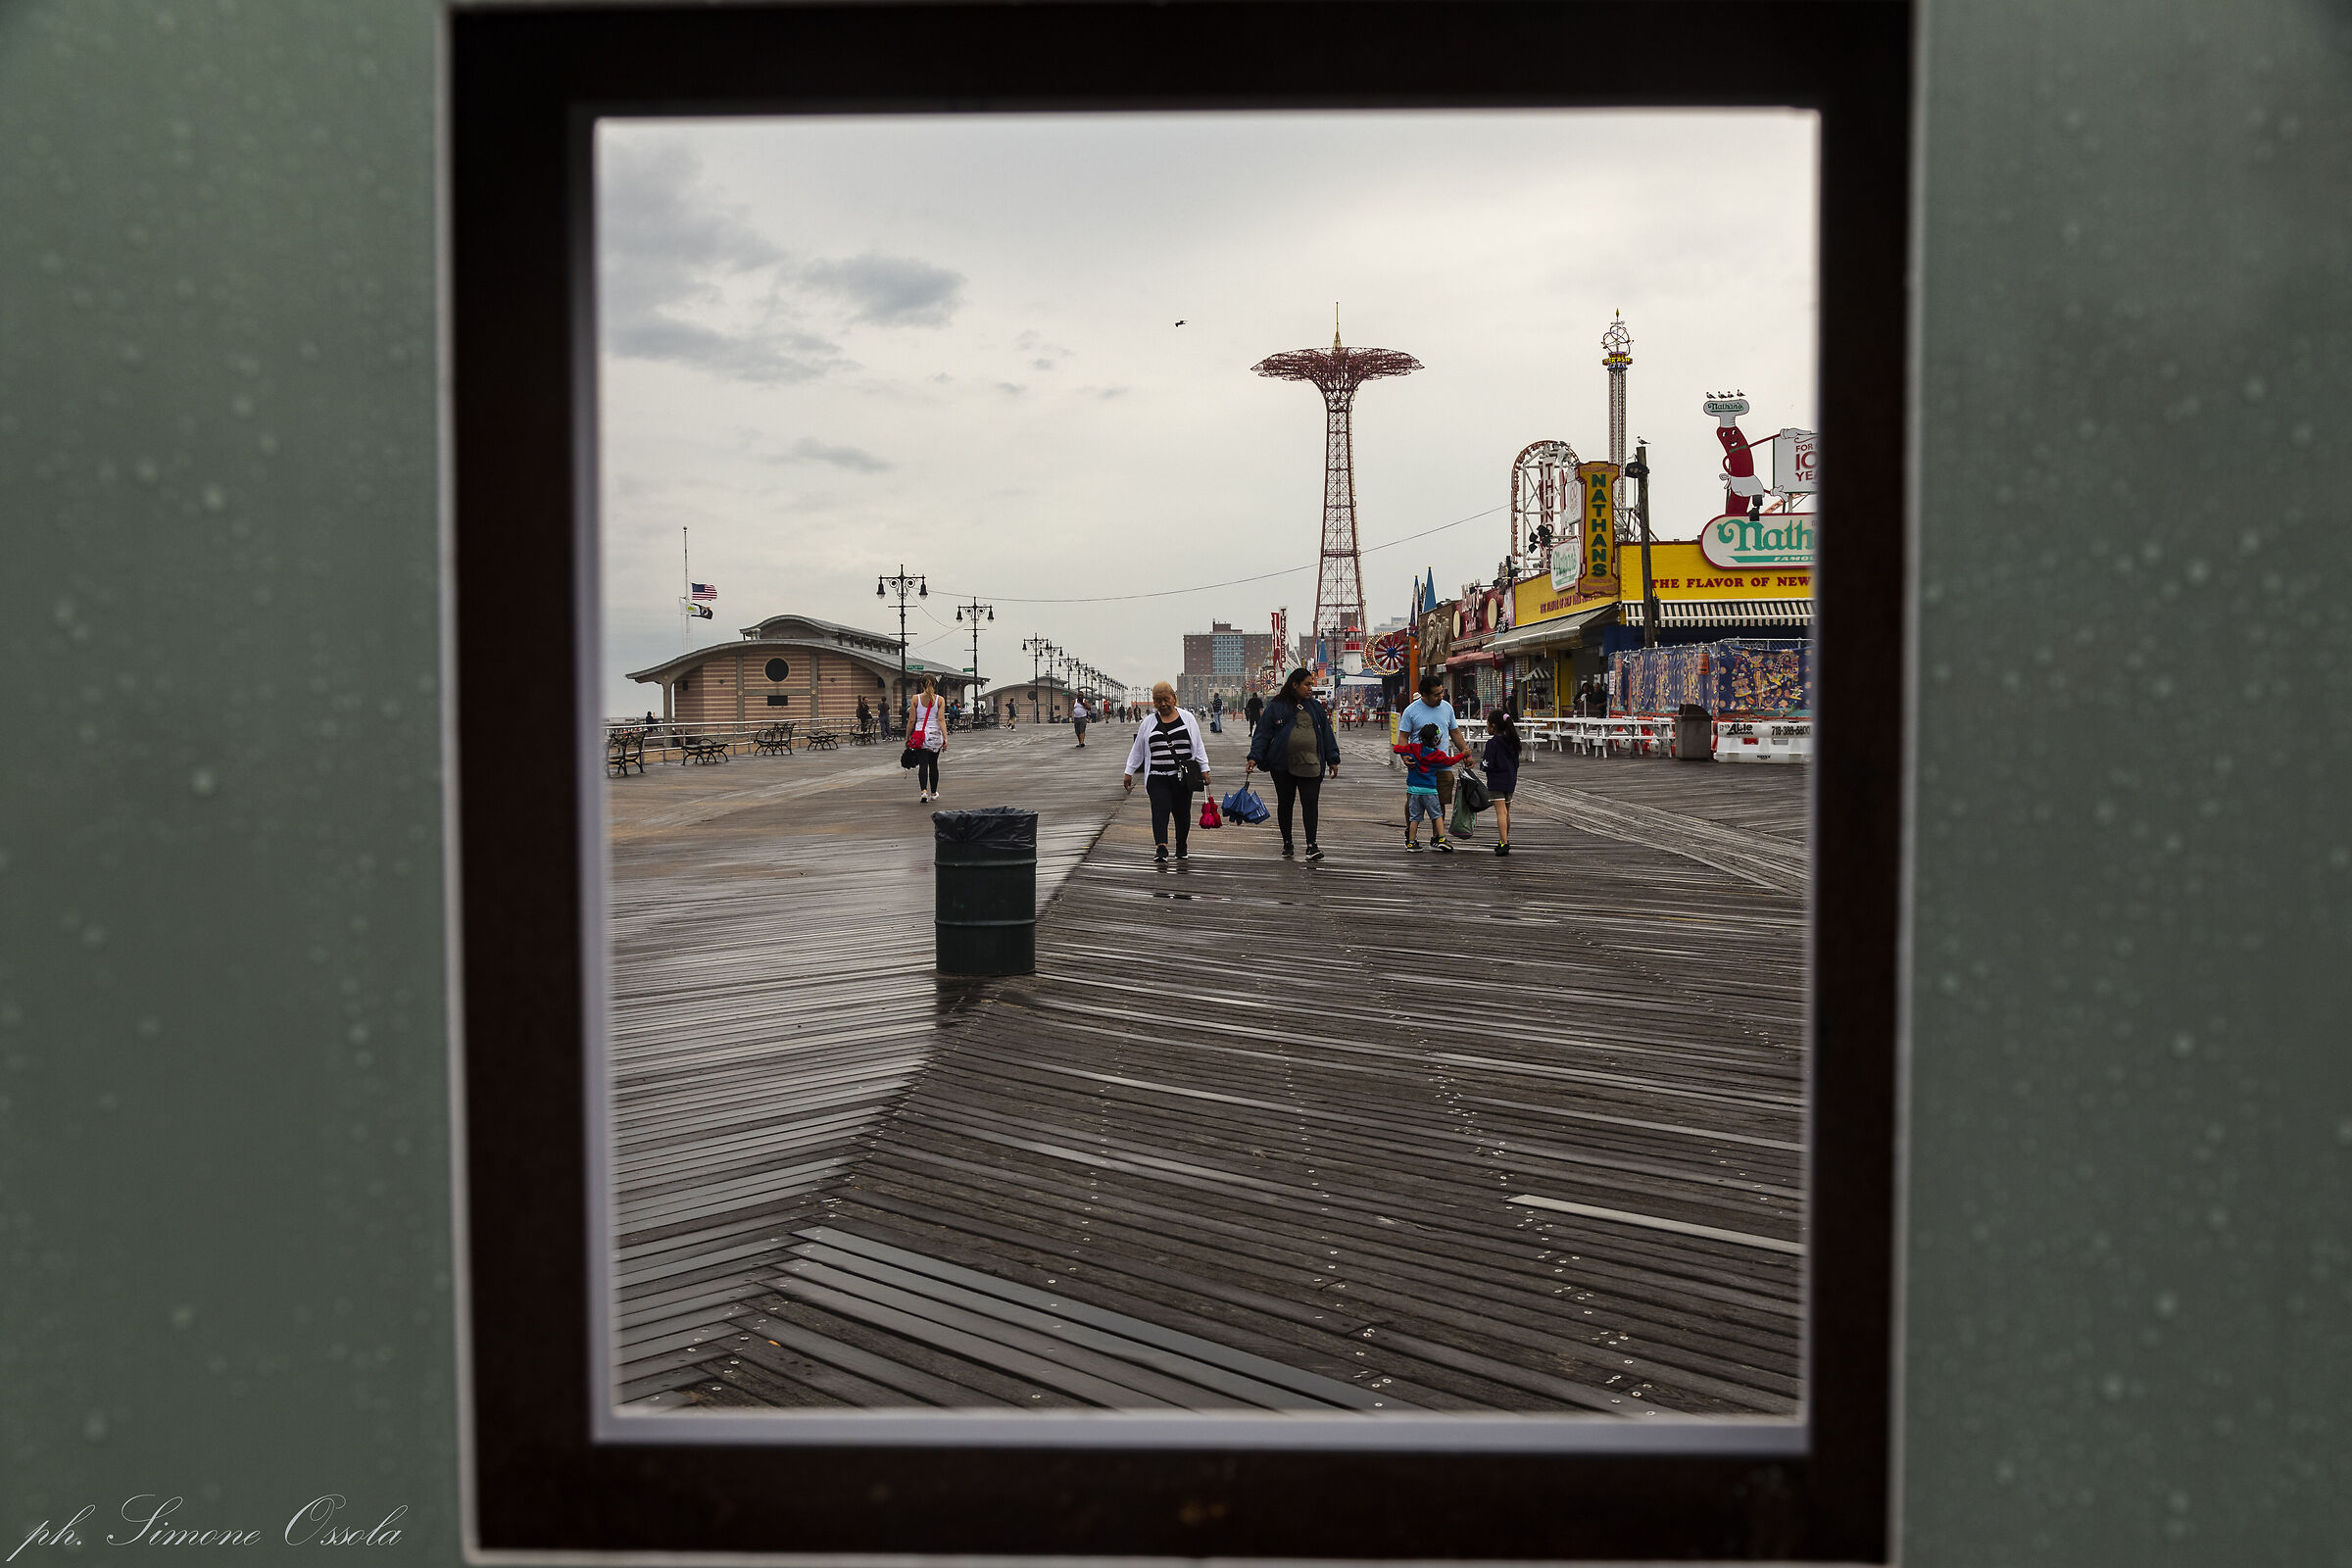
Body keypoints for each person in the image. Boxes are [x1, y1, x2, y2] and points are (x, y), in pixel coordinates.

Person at [1245, 665, 1340, 861]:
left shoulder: (1315, 707)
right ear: (1294, 685)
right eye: (1306, 684)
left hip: (1311, 763)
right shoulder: (1276, 706)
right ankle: (1287, 842)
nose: (1310, 688)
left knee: (1310, 804)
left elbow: (1326, 734)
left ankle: (1311, 845)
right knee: (1285, 804)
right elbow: (1262, 734)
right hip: (1282, 765)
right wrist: (1254, 757)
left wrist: (1333, 758)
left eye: (1311, 684)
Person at [1123, 681, 1210, 863]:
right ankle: (1161, 847)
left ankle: (1181, 845)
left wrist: (1205, 769)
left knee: (1182, 812)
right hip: (1157, 777)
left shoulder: (1187, 718)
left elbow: (1198, 745)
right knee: (1159, 809)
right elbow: (1138, 749)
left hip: (1182, 777)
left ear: (1174, 698)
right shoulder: (1148, 723)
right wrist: (1129, 771)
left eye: (1166, 699)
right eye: (1158, 700)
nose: (1162, 704)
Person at [1397, 671, 1466, 824]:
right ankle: (1411, 834)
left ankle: (1438, 837)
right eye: (1436, 695)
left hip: (1442, 763)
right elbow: (1403, 736)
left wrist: (1465, 753)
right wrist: (1404, 756)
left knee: (1440, 802)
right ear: (1424, 694)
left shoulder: (1447, 708)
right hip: (1419, 765)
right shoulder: (1411, 711)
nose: (1440, 696)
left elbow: (1455, 732)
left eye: (1441, 692)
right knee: (1414, 801)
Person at [1393, 721, 1466, 853]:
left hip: (1414, 790)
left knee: (1414, 818)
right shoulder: (1438, 756)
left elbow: (1396, 748)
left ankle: (1411, 842)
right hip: (1430, 791)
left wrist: (1404, 754)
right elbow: (1450, 761)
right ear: (1437, 740)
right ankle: (1441, 838)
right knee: (1437, 815)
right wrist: (1463, 755)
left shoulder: (1414, 748)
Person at [1482, 708, 1522, 857]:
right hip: (1510, 780)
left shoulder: (1493, 743)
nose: (1486, 727)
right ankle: (1503, 840)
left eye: (1487, 724)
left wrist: (1482, 766)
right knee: (1506, 812)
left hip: (1496, 780)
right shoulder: (1512, 742)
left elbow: (1487, 763)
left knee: (1500, 812)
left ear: (1493, 726)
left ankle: (1504, 843)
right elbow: (1516, 763)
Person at [908, 675, 949, 803]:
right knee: (933, 765)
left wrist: (907, 737)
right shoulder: (940, 699)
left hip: (921, 735)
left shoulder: (916, 699)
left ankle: (923, 792)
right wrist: (945, 737)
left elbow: (911, 720)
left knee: (923, 765)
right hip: (935, 735)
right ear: (935, 685)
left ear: (921, 685)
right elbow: (941, 719)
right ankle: (933, 793)